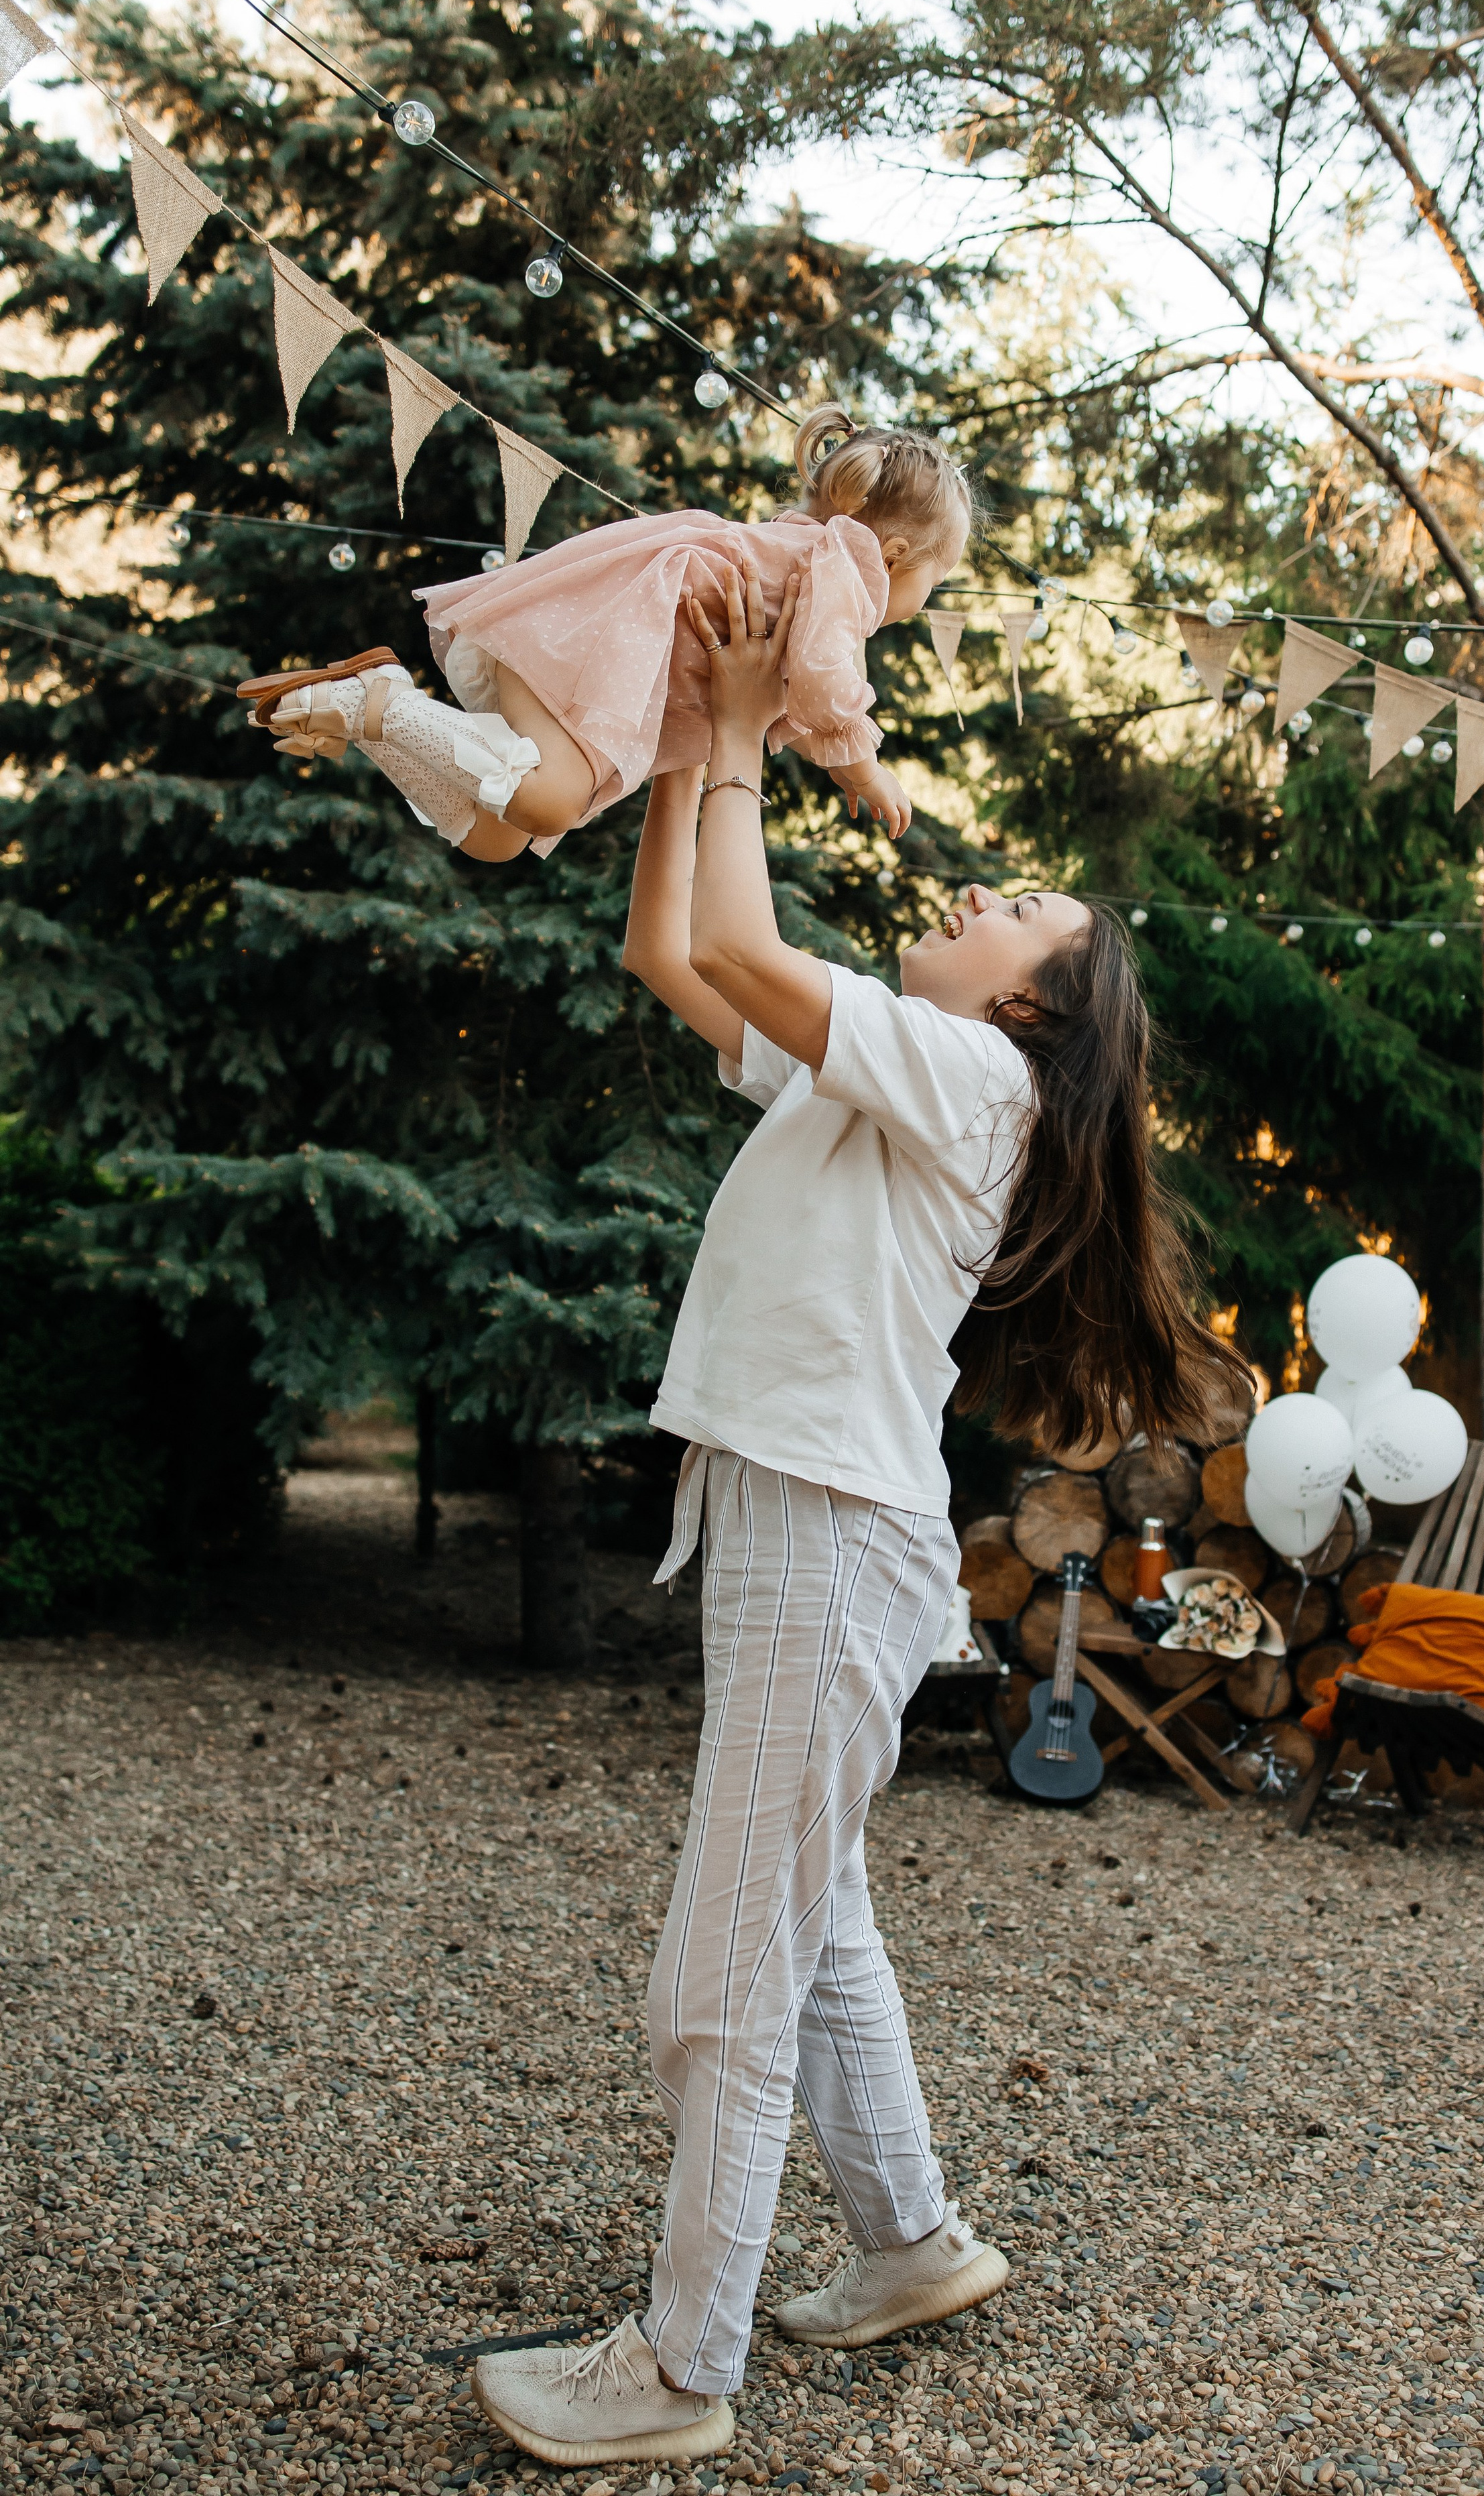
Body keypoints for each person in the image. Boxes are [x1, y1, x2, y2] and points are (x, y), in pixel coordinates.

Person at [465, 562, 1247, 2471]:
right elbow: (687, 953)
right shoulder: (886, 1080)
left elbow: (742, 925)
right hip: (810, 1523)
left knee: (721, 1969)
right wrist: (672, 744)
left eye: (1015, 915)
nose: (971, 900)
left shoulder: (973, 1082)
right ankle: (908, 2241)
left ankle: (678, 2367)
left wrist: (735, 734)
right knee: (811, 1931)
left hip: (830, 1535)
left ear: (1039, 1011)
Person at [232, 404, 966, 856]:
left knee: (495, 839)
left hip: (590, 655)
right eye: (934, 579)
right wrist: (863, 764)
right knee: (546, 800)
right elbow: (822, 678)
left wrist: (813, 743)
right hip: (596, 658)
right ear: (895, 555)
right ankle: (377, 701)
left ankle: (381, 713)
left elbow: (788, 698)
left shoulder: (796, 556)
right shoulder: (845, 563)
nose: (922, 598)